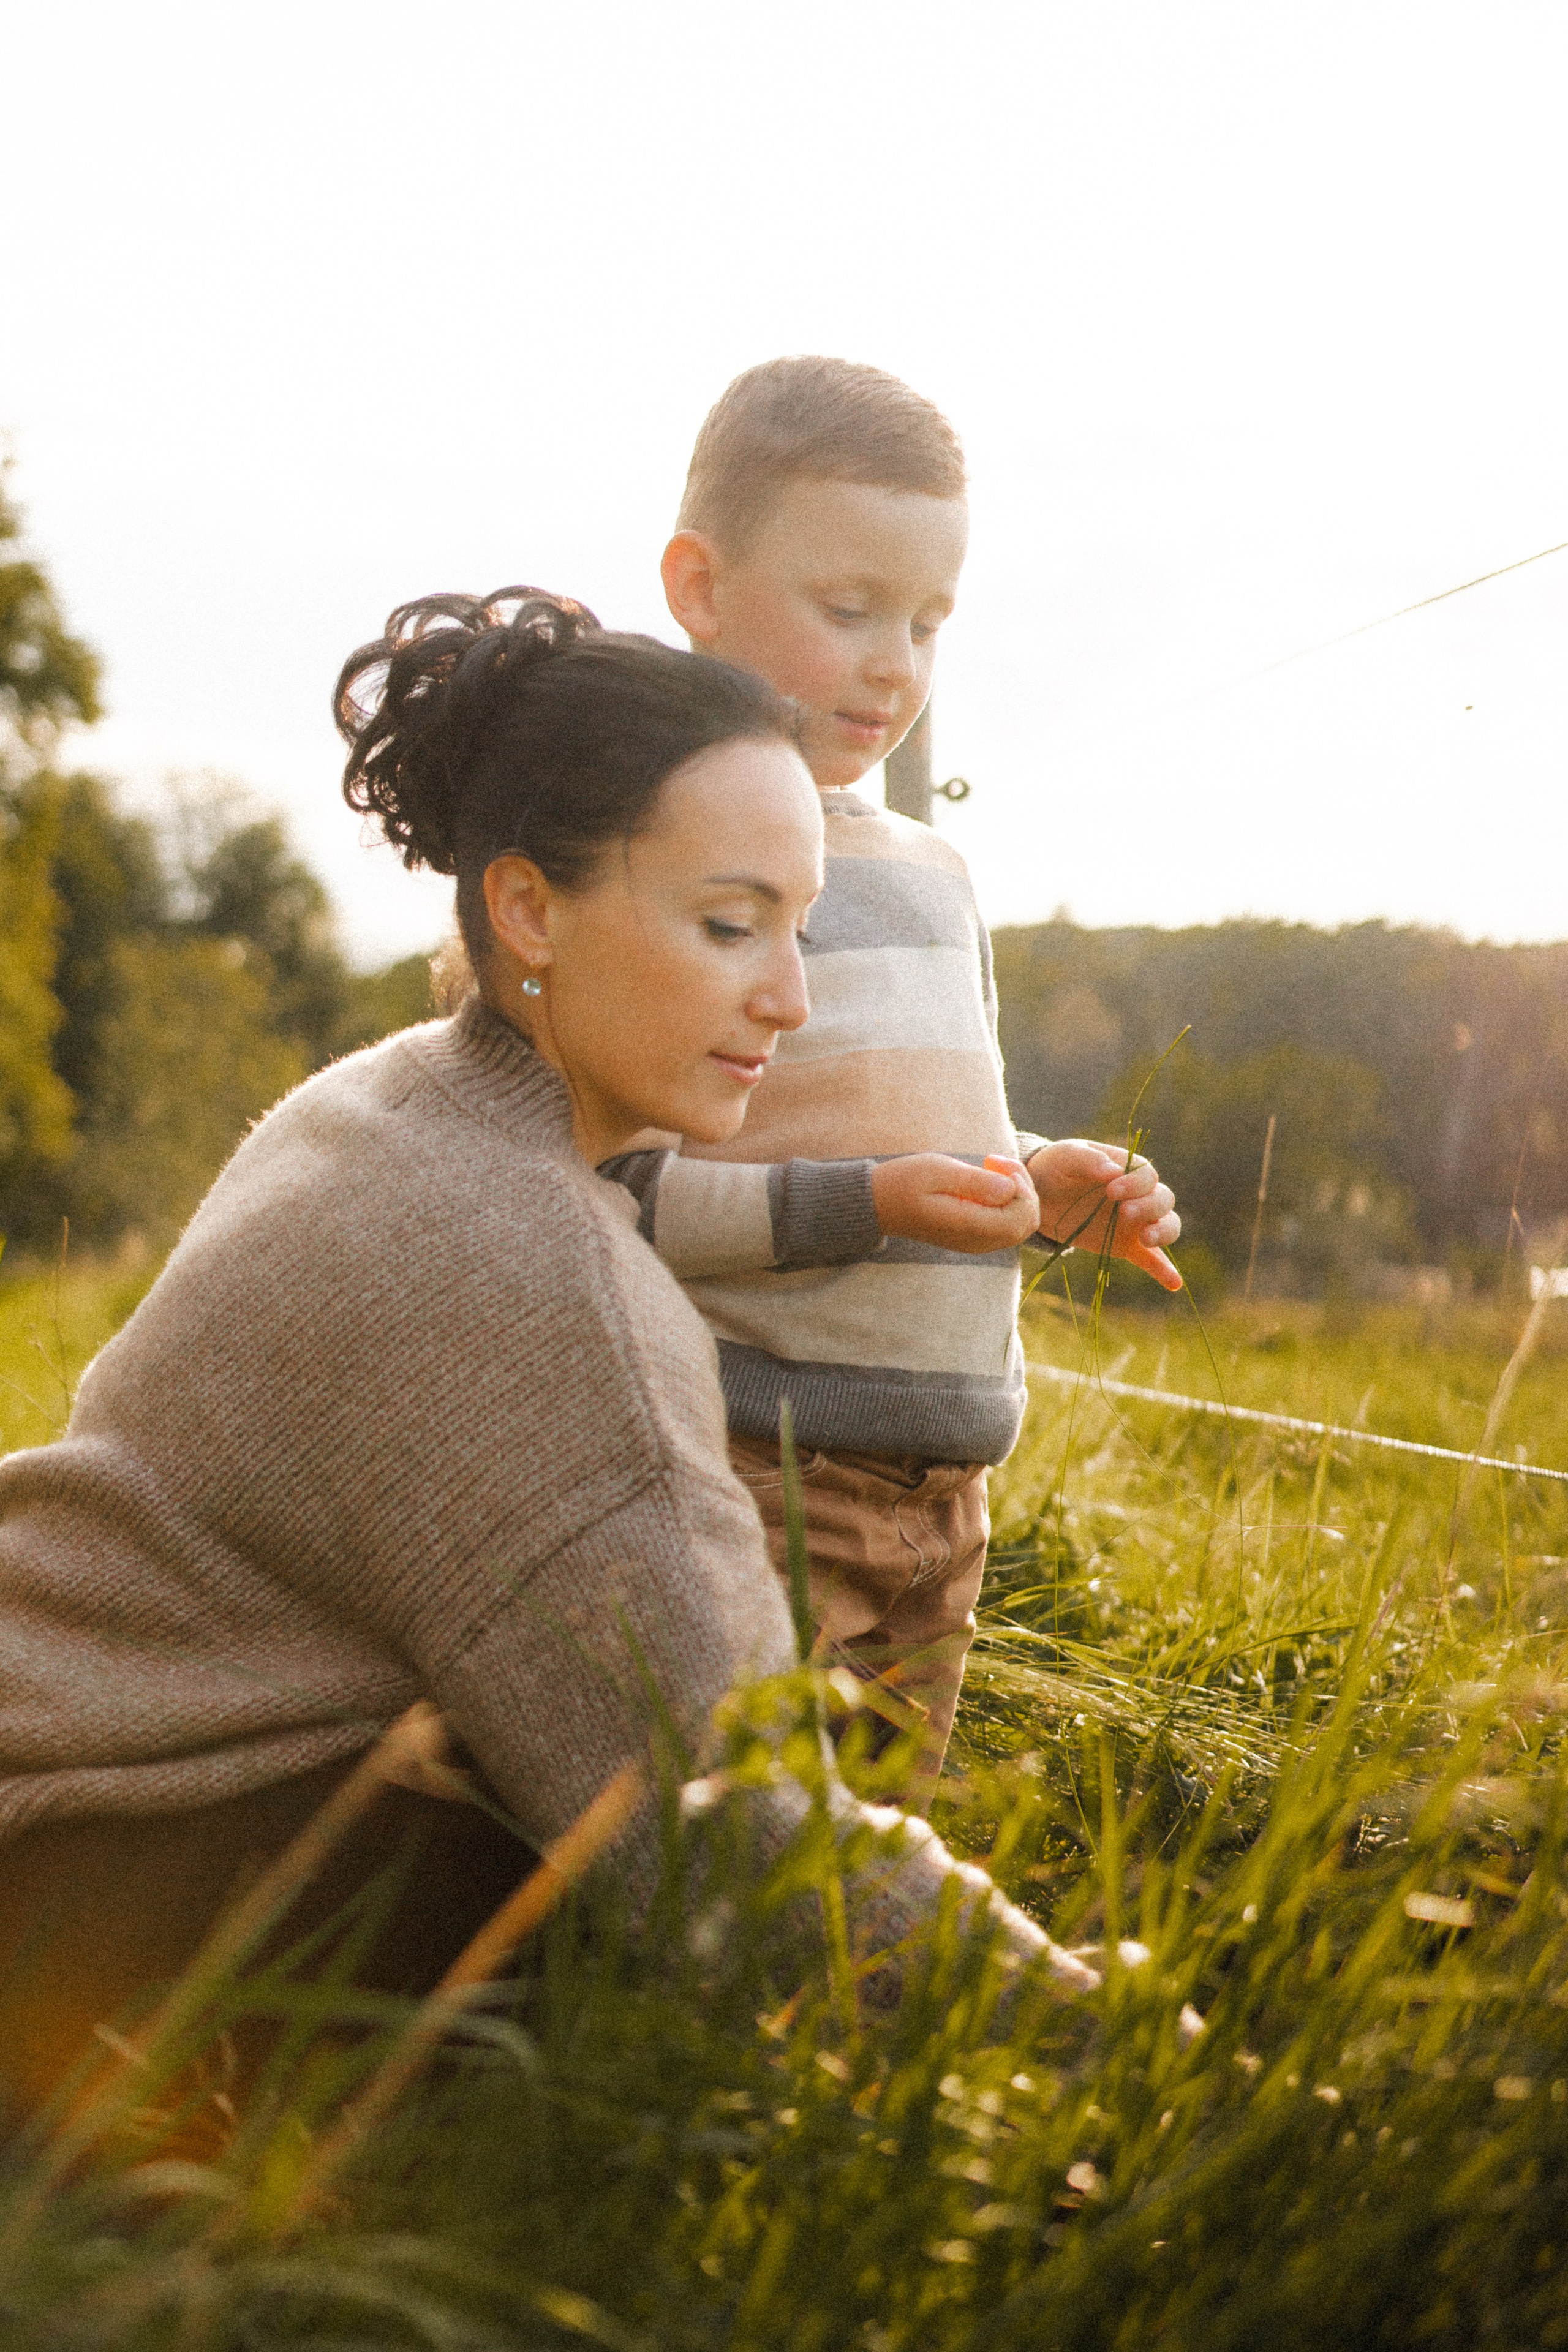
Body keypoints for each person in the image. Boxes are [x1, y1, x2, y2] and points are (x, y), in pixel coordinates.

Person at [0, 589, 1094, 2128]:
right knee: (594, 1932)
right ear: (525, 911)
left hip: (67, 1770)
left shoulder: (390, 1098)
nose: (789, 996)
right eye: (729, 924)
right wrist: (1125, 2049)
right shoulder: (532, 1274)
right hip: (81, 1865)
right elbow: (730, 1837)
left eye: (802, 924)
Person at [605, 358, 1182, 1807]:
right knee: (718, 1853)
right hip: (754, 1472)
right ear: (698, 585)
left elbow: (926, 1127)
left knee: (872, 1870)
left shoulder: (934, 871)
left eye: (927, 624)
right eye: (849, 609)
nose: (894, 667)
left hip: (950, 1496)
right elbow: (601, 1192)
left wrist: (1034, 1178)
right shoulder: (654, 855)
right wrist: (868, 1204)